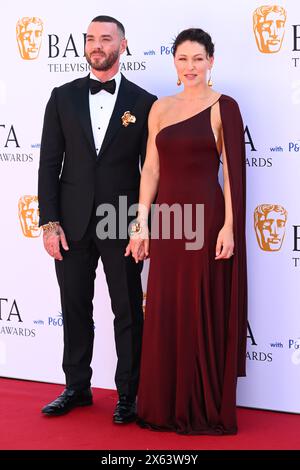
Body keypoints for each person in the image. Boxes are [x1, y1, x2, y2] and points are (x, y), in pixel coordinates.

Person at [126, 28, 247, 434]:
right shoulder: (160, 108)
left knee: (198, 306)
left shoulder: (223, 107)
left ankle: (198, 406)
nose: (190, 67)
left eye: (198, 58)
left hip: (206, 220)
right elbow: (152, 172)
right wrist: (141, 223)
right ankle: (162, 405)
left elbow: (232, 174)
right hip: (169, 223)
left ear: (212, 60)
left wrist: (230, 226)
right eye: (182, 59)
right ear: (173, 63)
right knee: (165, 306)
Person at [38, 15, 156, 423]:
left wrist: (142, 224)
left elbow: (152, 171)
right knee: (73, 306)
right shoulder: (62, 96)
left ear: (122, 46)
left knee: (127, 309)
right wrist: (49, 222)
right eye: (90, 38)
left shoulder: (144, 102)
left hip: (120, 218)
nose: (96, 45)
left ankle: (129, 394)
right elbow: (49, 162)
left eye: (105, 39)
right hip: (70, 222)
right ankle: (77, 387)